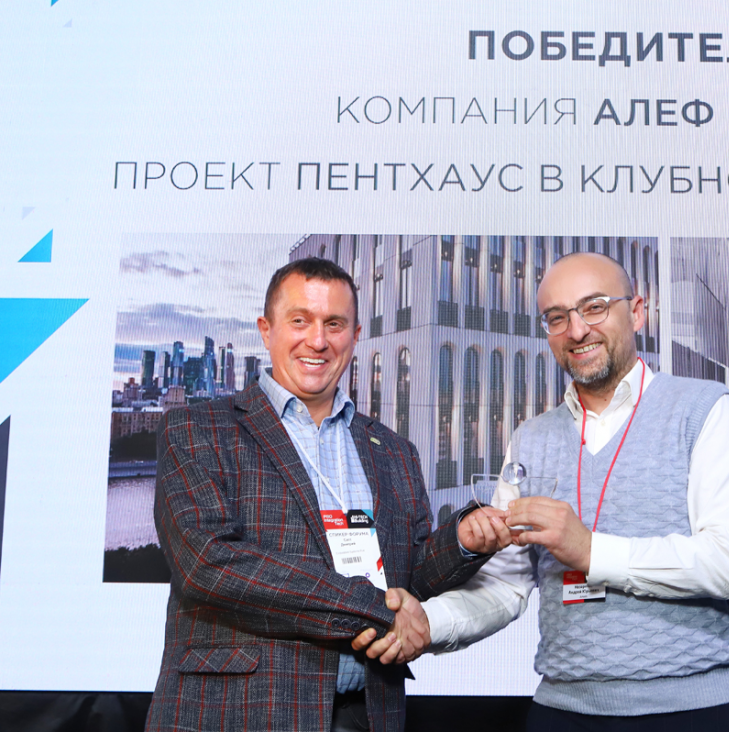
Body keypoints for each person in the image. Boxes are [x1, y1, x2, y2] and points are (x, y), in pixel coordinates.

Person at [375, 251, 729, 732]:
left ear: (637, 311)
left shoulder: (704, 410)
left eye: (594, 307)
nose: (577, 330)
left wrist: (589, 550)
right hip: (562, 708)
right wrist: (427, 623)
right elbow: (504, 586)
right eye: (557, 318)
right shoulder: (531, 438)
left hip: (691, 711)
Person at [146, 257, 512, 732]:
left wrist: (461, 540)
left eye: (334, 324)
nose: (317, 341)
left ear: (355, 336)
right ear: (266, 330)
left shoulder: (394, 451)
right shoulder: (197, 429)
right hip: (239, 712)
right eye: (300, 321)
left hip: (369, 712)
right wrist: (375, 609)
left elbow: (410, 579)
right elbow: (208, 564)